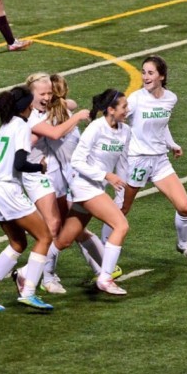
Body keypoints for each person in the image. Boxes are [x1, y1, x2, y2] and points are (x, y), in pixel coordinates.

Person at [14, 73, 115, 294]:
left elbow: (69, 103)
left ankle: (105, 269)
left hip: (57, 174)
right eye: (43, 94)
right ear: (30, 95)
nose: (48, 97)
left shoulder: (51, 109)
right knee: (53, 228)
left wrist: (62, 104)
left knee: (71, 227)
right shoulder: (33, 119)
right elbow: (54, 132)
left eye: (51, 93)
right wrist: (76, 116)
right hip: (37, 175)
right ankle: (39, 276)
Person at [101, 55, 187, 266]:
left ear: (161, 76)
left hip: (159, 160)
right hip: (136, 161)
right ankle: (103, 251)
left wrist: (172, 144)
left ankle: (184, 245)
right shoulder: (136, 99)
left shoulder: (170, 98)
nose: (145, 77)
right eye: (143, 72)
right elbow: (115, 120)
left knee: (184, 207)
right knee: (121, 210)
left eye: (150, 73)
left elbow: (161, 125)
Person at [41, 88, 131, 295]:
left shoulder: (126, 131)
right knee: (121, 226)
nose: (127, 110)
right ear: (110, 109)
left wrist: (120, 195)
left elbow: (123, 164)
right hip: (84, 187)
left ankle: (30, 273)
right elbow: (77, 161)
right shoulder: (96, 128)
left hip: (96, 187)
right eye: (124, 106)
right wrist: (106, 175)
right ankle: (106, 277)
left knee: (64, 240)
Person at [0, 85, 53, 311]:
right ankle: (29, 292)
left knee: (18, 243)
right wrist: (39, 166)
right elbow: (19, 164)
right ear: (28, 105)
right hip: (8, 190)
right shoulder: (21, 127)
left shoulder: (7, 124)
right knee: (45, 237)